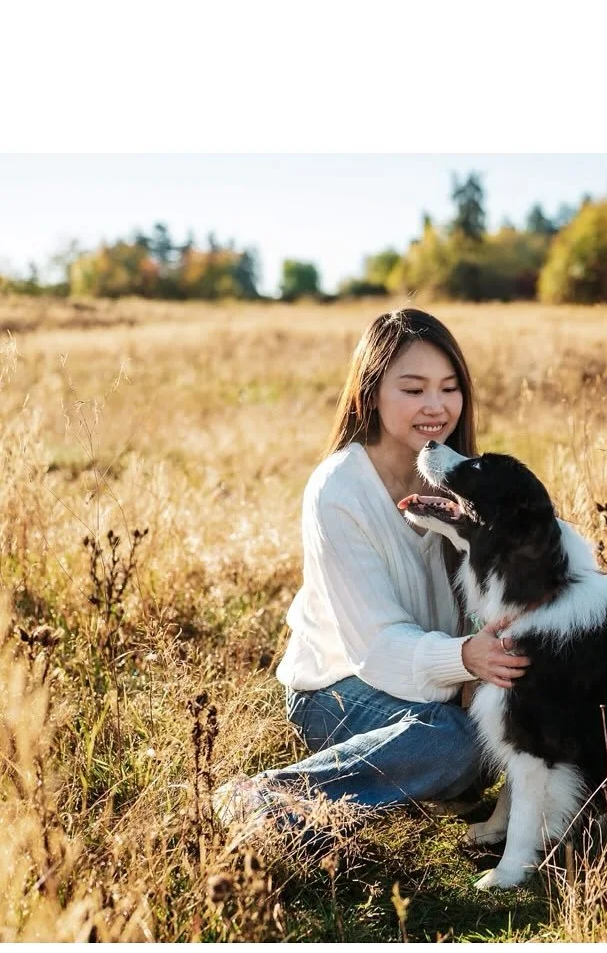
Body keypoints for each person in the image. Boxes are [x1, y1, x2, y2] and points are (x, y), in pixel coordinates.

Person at [214, 308, 529, 828]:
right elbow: (377, 651)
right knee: (456, 745)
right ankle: (264, 800)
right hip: (338, 685)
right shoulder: (338, 489)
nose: (436, 406)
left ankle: (408, 778)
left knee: (495, 729)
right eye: (413, 389)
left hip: (445, 680)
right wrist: (467, 660)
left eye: (450, 388)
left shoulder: (462, 482)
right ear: (371, 392)